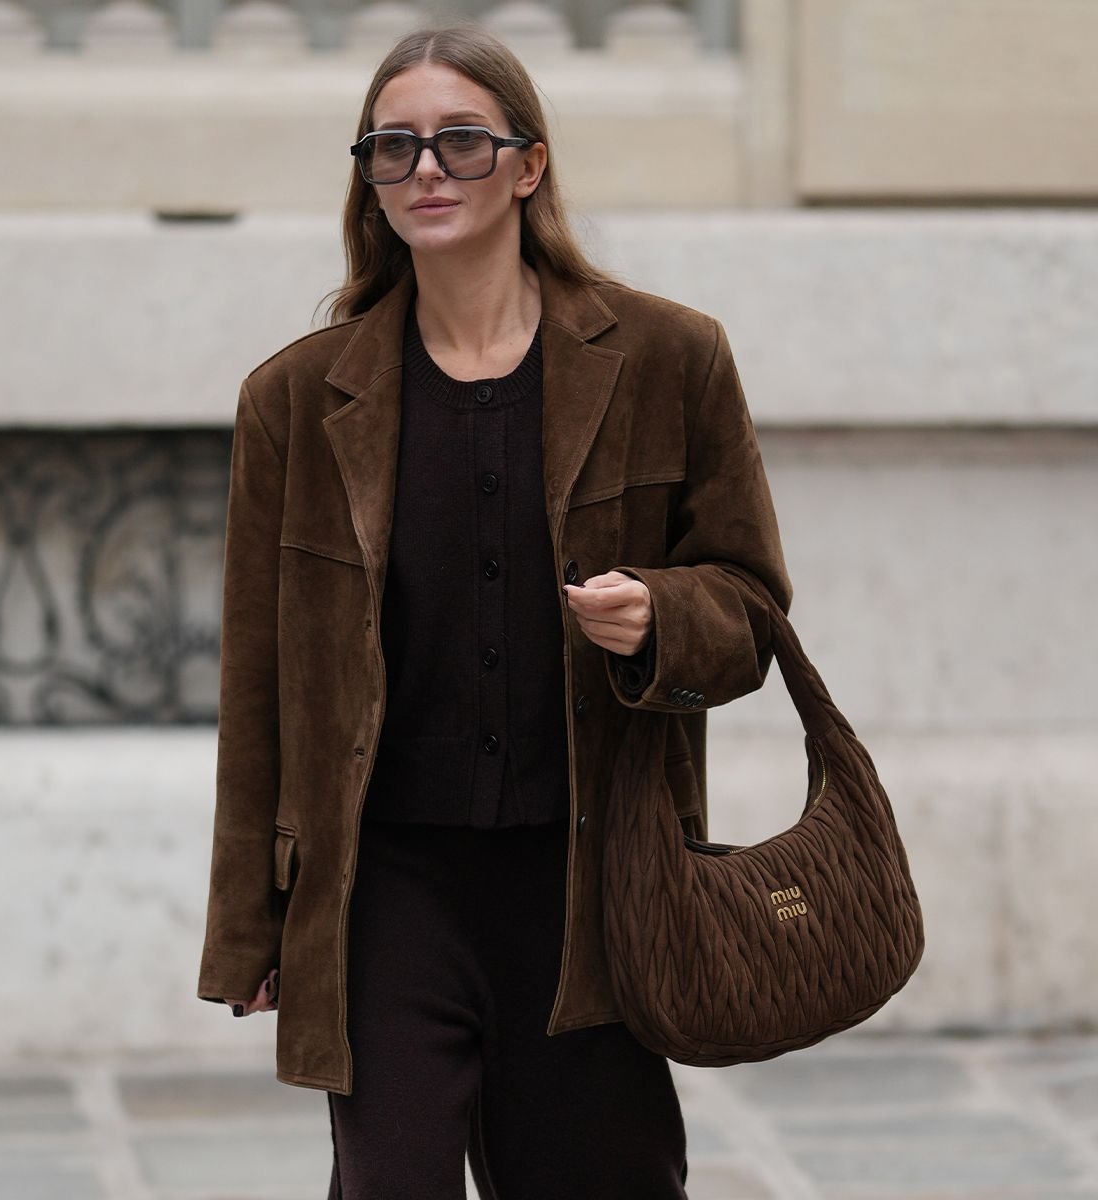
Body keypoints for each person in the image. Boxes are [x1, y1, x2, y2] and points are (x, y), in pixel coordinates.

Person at [196, 21, 792, 1199]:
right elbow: (259, 684)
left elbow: (752, 607)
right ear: (369, 178)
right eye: (394, 147)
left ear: (529, 165)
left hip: (592, 884)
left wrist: (660, 617)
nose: (426, 169)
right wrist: (249, 929)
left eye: (462, 141)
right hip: (384, 892)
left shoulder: (670, 359)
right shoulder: (297, 400)